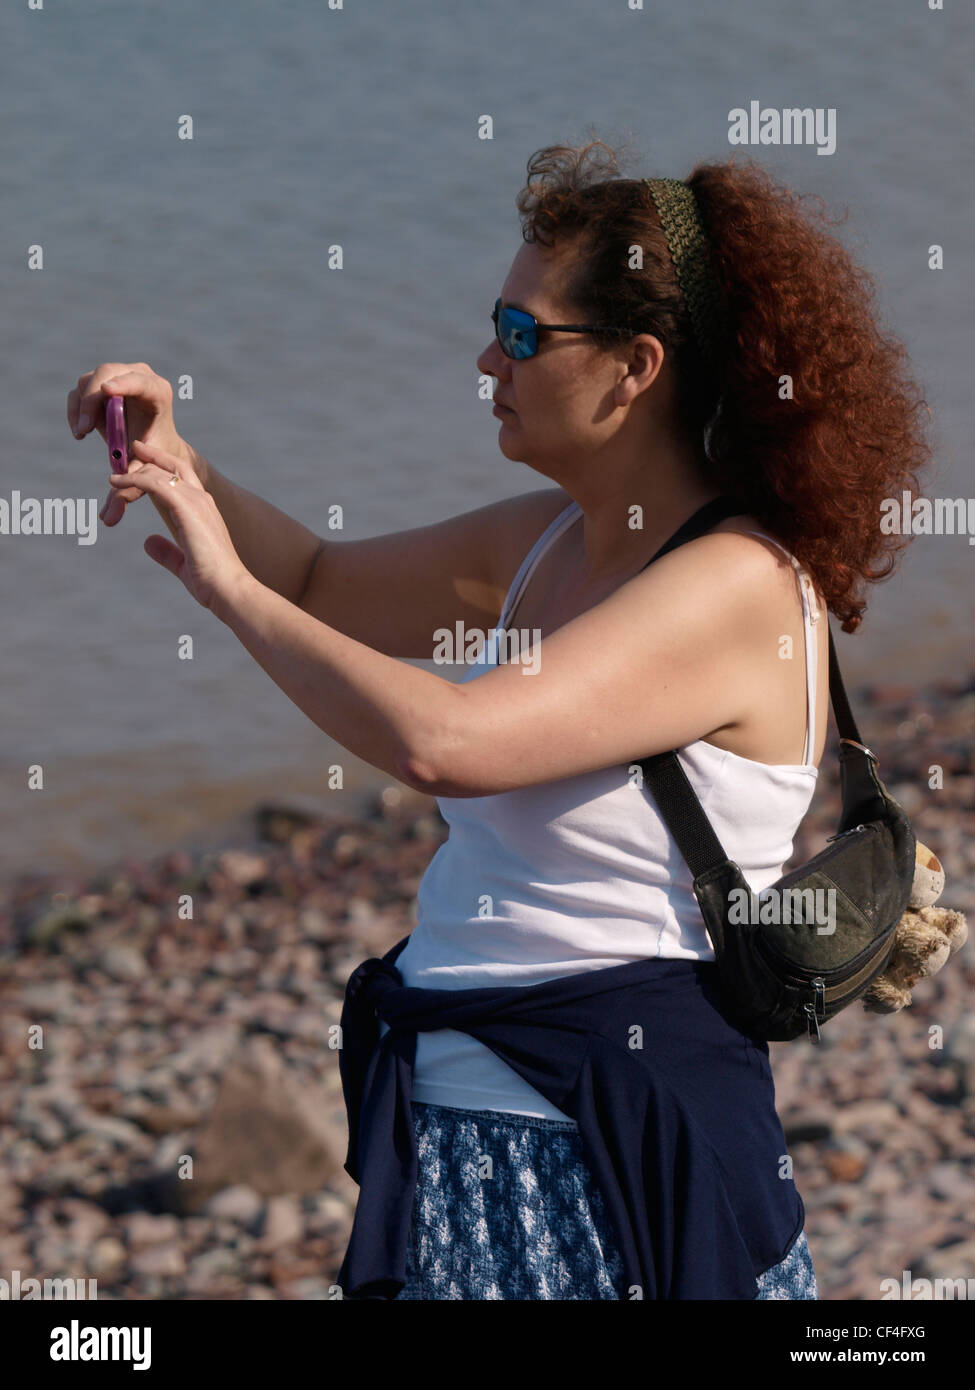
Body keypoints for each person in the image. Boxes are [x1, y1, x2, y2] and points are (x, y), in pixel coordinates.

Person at [67, 139, 931, 1300]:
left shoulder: (737, 585)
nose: (488, 360)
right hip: (462, 1148)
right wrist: (187, 466)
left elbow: (448, 743)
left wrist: (225, 589)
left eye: (523, 336)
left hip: (615, 1155)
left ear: (634, 367)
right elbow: (322, 582)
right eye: (494, 324)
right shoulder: (539, 541)